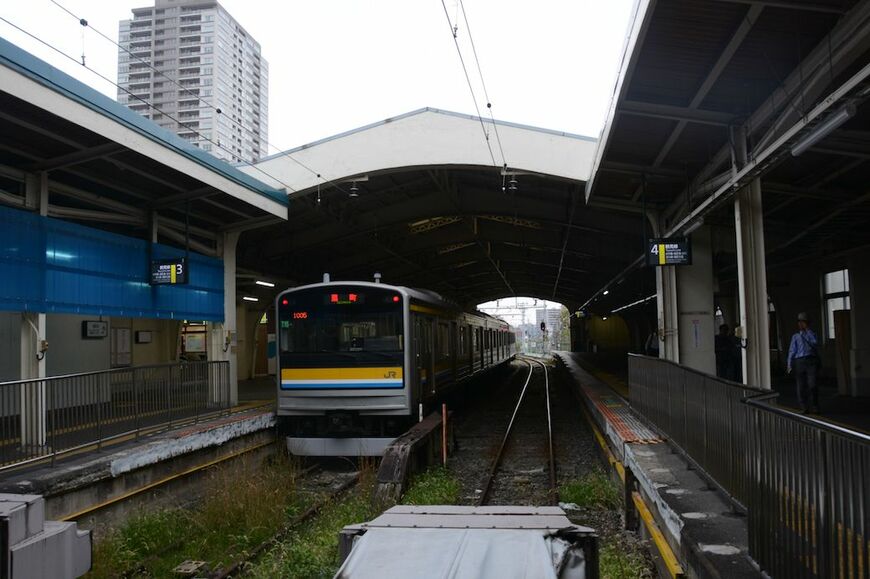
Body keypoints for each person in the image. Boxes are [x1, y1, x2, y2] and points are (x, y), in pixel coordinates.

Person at [787, 312, 820, 414]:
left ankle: (814, 405)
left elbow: (815, 342)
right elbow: (792, 351)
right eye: (799, 322)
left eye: (803, 322)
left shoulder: (812, 334)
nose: (801, 324)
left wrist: (807, 330)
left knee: (812, 384)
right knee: (801, 386)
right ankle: (804, 406)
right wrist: (789, 364)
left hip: (811, 361)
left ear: (807, 323)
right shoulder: (795, 336)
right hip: (799, 361)